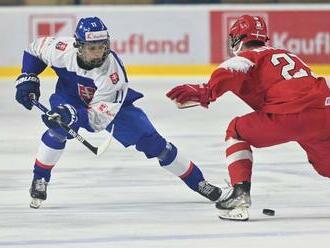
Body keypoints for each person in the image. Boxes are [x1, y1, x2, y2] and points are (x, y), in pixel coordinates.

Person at [15, 16, 221, 209]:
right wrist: (28, 76)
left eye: (102, 47)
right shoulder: (61, 49)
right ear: (77, 45)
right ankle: (40, 177)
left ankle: (199, 182)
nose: (98, 53)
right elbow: (34, 50)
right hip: (69, 97)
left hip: (112, 108)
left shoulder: (112, 74)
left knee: (156, 144)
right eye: (92, 48)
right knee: (58, 129)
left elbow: (97, 121)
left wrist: (74, 115)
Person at [167, 14, 330, 221]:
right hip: (324, 113)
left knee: (236, 130)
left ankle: (239, 195)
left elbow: (232, 68)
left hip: (290, 115)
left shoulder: (249, 56)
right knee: (326, 167)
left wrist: (206, 91)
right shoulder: (286, 53)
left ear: (237, 38)